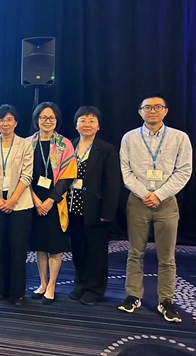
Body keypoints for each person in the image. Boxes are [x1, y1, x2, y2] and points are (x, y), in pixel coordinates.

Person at [118, 94, 192, 322]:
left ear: (165, 111)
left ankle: (166, 300)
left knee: (167, 256)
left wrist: (158, 195)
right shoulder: (130, 138)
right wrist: (145, 194)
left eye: (157, 107)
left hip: (166, 201)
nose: (152, 111)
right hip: (137, 201)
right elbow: (126, 171)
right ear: (140, 112)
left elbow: (184, 171)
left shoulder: (179, 137)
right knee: (135, 251)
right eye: (147, 107)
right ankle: (133, 295)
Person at [67, 106, 121, 305]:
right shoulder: (69, 146)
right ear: (76, 125)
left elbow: (112, 184)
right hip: (72, 207)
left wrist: (108, 212)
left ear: (98, 126)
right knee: (78, 248)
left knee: (96, 252)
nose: (87, 124)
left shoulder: (106, 150)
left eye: (91, 121)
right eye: (82, 120)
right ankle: (81, 283)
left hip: (96, 209)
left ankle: (95, 289)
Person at [27, 102, 77, 304]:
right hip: (33, 201)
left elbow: (69, 175)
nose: (47, 121)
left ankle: (52, 286)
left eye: (51, 118)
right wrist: (35, 199)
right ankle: (42, 283)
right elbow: (23, 174)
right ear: (36, 120)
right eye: (43, 117)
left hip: (56, 201)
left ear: (57, 121)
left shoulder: (65, 144)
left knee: (54, 247)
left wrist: (50, 200)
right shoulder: (28, 143)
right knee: (39, 246)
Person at [0, 105, 34, 306]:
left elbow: (27, 175)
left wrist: (12, 200)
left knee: (18, 250)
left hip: (20, 205)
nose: (5, 123)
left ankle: (17, 293)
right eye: (1, 119)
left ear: (16, 122)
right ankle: (1, 289)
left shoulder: (25, 144)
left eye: (9, 119)